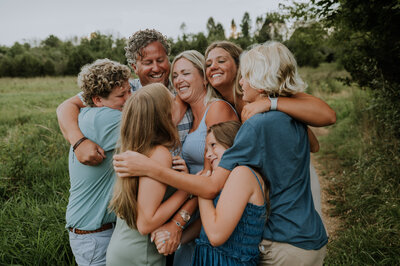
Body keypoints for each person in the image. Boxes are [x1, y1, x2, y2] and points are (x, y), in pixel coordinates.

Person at [113, 41, 328, 265]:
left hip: (283, 239)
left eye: (245, 75)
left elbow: (212, 185)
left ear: (260, 80)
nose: (240, 82)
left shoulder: (254, 123)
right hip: (306, 234)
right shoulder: (289, 118)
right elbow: (313, 144)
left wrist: (150, 169)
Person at [205, 40, 331, 216]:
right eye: (208, 64)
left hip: (290, 183)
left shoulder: (267, 94)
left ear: (239, 65)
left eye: (221, 61)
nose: (213, 67)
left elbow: (324, 122)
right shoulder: (217, 107)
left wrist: (271, 103)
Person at [56, 29, 193, 166]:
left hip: (184, 178)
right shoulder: (125, 91)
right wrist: (79, 142)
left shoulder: (184, 89)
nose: (156, 68)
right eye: (148, 63)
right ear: (134, 67)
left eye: (160, 60)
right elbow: (65, 107)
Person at [159, 50, 239, 265]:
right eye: (175, 76)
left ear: (204, 78)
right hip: (194, 206)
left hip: (210, 210)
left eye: (186, 73)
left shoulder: (217, 110)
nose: (179, 80)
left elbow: (212, 178)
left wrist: (178, 222)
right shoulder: (187, 115)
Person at [106, 83, 190, 266]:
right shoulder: (159, 154)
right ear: (163, 114)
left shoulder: (135, 148)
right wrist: (185, 189)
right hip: (141, 254)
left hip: (122, 247)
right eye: (172, 100)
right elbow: (146, 223)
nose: (178, 103)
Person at [66, 58, 131, 266]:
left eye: (130, 91)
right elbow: (157, 127)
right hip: (94, 236)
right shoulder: (104, 119)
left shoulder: (89, 114)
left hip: (97, 231)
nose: (130, 99)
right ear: (98, 100)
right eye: (122, 95)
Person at [192, 121, 268, 265]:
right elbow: (207, 226)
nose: (208, 155)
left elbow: (215, 235)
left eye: (213, 145)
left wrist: (202, 189)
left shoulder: (243, 174)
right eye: (206, 150)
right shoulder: (227, 180)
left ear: (232, 145)